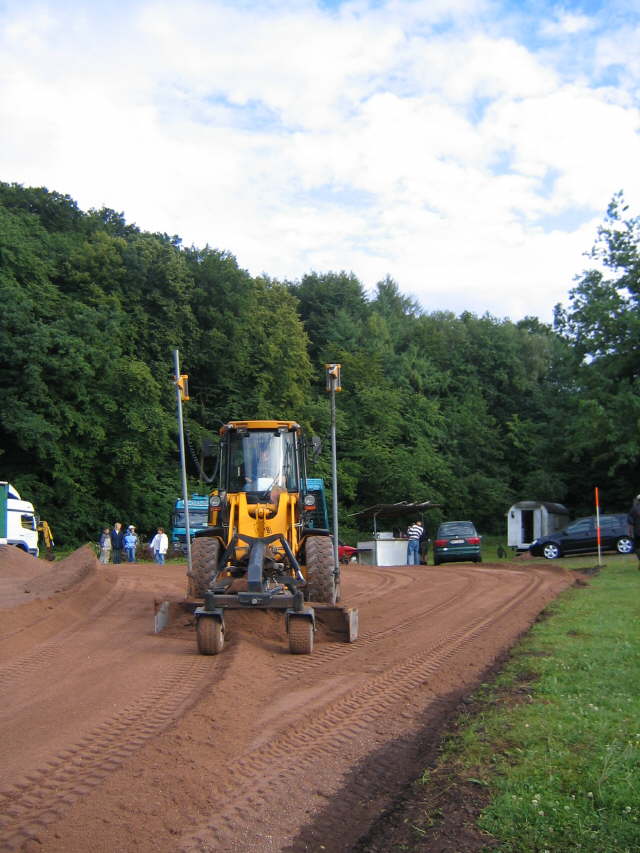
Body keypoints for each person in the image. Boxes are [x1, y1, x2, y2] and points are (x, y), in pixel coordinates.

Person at [627, 494, 640, 567]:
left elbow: (630, 521)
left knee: (637, 547)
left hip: (637, 532)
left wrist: (631, 532)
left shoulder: (634, 509)